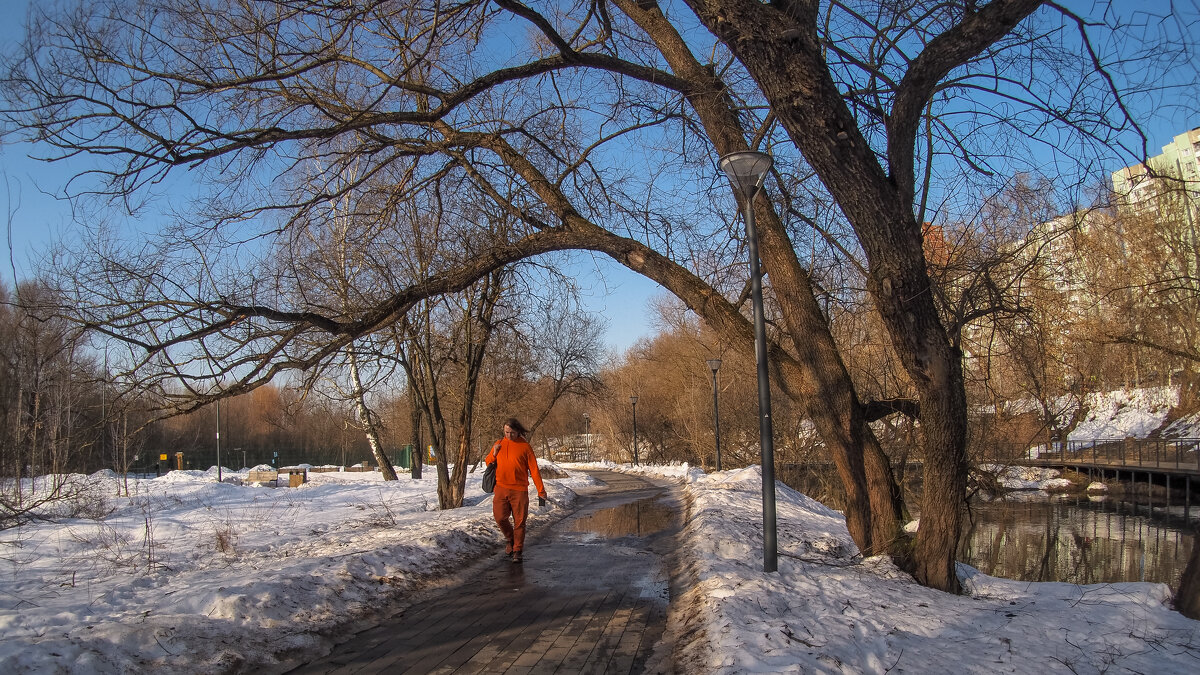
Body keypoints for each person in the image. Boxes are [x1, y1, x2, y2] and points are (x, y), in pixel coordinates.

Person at [484, 418, 547, 563]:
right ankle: (510, 538)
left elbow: (534, 470)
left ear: (518, 431)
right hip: (501, 488)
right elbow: (488, 462)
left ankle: (517, 549)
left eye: (512, 433)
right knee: (500, 517)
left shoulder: (525, 447)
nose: (509, 435)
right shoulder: (499, 443)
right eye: (506, 432)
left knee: (520, 521)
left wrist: (541, 491)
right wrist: (493, 453)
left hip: (519, 490)